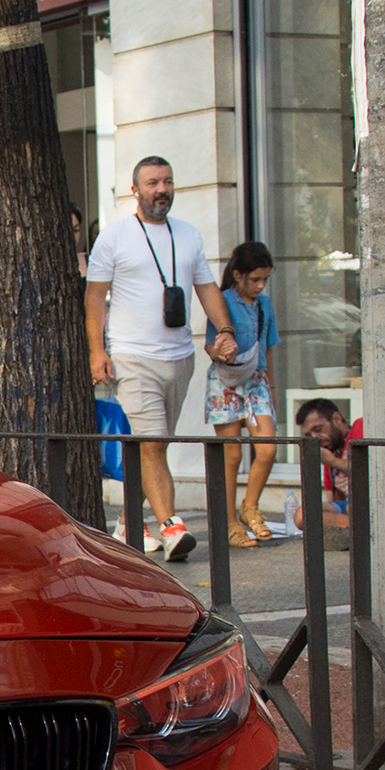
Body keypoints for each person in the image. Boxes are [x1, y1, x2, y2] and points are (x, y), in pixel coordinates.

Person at [85, 157, 238, 559]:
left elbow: (206, 289)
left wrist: (225, 330)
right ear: (135, 190)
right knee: (152, 443)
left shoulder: (187, 235)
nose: (162, 189)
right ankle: (173, 528)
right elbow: (95, 297)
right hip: (132, 357)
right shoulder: (115, 236)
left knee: (153, 445)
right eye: (153, 182)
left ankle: (127, 526)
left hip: (179, 356)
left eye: (168, 181)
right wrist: (97, 350)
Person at [204, 240, 282, 547]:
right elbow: (210, 343)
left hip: (256, 379)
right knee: (231, 454)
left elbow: (270, 344)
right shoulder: (222, 301)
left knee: (268, 447)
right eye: (255, 279)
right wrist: (221, 350)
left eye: (265, 279)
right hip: (226, 379)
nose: (261, 285)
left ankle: (250, 506)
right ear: (238, 275)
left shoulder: (264, 305)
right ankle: (228, 523)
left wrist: (271, 387)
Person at [295, 396, 359, 535]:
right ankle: (354, 530)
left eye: (318, 429)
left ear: (336, 419)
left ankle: (357, 530)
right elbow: (333, 499)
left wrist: (332, 461)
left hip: (373, 503)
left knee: (353, 509)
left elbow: (367, 470)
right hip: (352, 509)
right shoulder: (329, 451)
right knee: (302, 514)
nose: (315, 437)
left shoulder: (358, 428)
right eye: (309, 434)